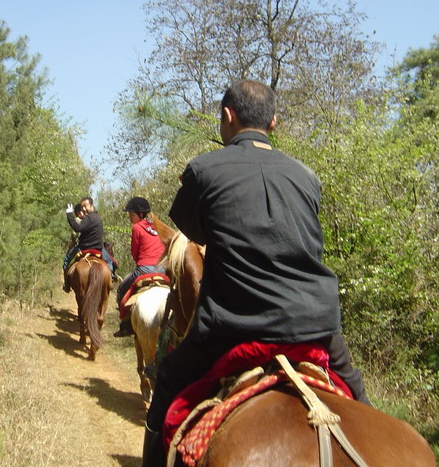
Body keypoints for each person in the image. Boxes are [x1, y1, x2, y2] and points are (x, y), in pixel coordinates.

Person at [141, 80, 370, 467]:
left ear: (227, 117)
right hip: (317, 325)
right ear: (274, 122)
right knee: (362, 405)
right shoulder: (307, 177)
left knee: (166, 385)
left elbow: (194, 235)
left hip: (233, 326)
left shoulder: (203, 170)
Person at [113, 197, 167, 338]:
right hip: (163, 269)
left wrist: (142, 263)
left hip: (145, 269)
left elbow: (135, 252)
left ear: (141, 214)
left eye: (131, 215)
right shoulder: (156, 226)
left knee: (121, 290)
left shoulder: (136, 227)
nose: (130, 218)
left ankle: (125, 325)